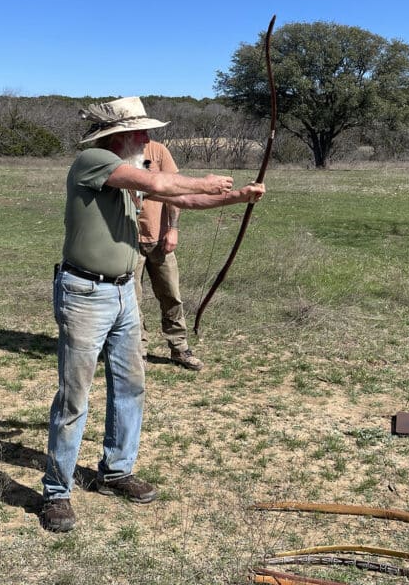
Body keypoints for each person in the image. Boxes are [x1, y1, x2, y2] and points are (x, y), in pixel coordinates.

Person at [40, 96, 265, 533]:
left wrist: (237, 196)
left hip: (125, 293)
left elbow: (177, 197)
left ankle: (116, 471)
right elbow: (164, 185)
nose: (149, 139)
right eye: (143, 131)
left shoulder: (129, 170)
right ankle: (57, 492)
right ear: (120, 134)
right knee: (75, 397)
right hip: (85, 293)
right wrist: (208, 180)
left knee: (131, 385)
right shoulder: (95, 160)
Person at [135, 139, 203, 371]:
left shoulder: (157, 150)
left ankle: (179, 348)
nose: (141, 134)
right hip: (125, 240)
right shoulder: (113, 153)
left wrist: (173, 229)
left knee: (171, 294)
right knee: (132, 300)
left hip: (159, 238)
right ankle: (138, 350)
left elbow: (174, 190)